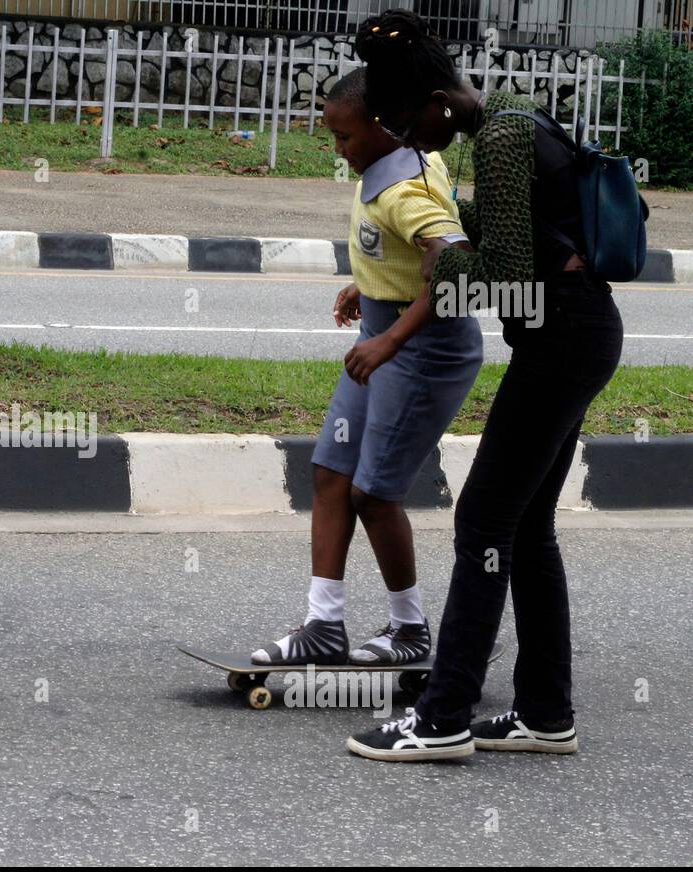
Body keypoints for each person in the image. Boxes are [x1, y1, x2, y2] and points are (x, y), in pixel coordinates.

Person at [346, 9, 623, 761]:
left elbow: (495, 273)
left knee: (482, 525)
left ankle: (443, 717)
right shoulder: (509, 124)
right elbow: (511, 245)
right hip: (575, 332)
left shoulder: (500, 139)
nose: (408, 140)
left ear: (437, 101)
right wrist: (444, 243)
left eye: (408, 123)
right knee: (526, 528)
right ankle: (544, 713)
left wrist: (444, 262)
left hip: (562, 340)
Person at [251, 68, 482, 669]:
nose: (338, 149)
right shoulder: (392, 163)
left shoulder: (405, 190)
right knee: (331, 469)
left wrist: (392, 337)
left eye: (345, 137)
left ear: (384, 127)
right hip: (384, 335)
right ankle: (323, 624)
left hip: (424, 351)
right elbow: (405, 254)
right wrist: (372, 285)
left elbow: (457, 265)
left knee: (374, 493)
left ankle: (410, 632)